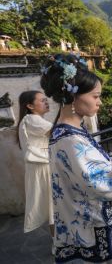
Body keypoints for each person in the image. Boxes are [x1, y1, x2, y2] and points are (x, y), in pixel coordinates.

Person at [40, 54, 112, 263]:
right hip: (105, 234)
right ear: (74, 97)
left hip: (94, 228)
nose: (100, 102)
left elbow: (85, 173)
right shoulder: (70, 140)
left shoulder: (68, 132)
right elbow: (108, 184)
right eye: (95, 96)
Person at [17, 90, 54, 234]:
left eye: (46, 99)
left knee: (53, 207)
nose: (46, 102)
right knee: (54, 205)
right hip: (43, 166)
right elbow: (59, 130)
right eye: (42, 100)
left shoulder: (30, 120)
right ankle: (58, 243)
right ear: (30, 106)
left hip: (40, 166)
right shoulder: (32, 119)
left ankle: (57, 242)